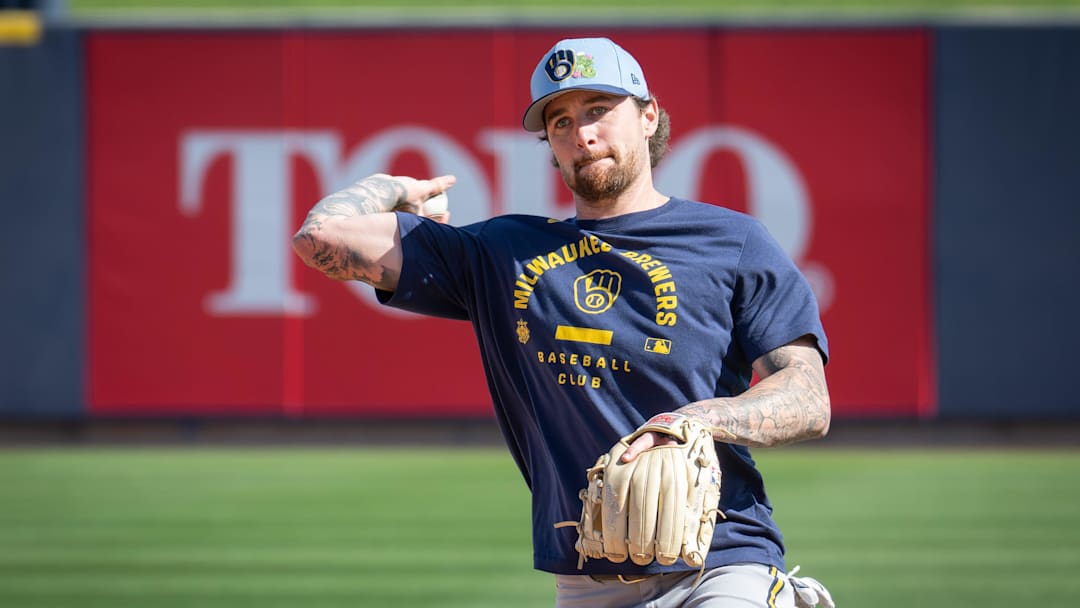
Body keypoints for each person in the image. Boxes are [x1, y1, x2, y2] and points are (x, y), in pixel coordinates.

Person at [293, 37, 832, 608]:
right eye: (560, 121)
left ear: (649, 116)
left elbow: (807, 397)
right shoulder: (503, 252)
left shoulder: (732, 241)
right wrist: (396, 189)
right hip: (584, 578)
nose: (582, 133)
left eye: (599, 110)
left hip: (720, 559)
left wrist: (694, 421)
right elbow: (320, 239)